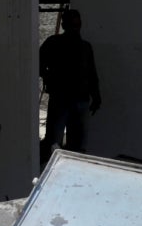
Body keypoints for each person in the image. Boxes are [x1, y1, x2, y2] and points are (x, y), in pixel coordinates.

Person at [39, 9, 100, 159]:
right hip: (61, 100)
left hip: (80, 100)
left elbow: (92, 73)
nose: (75, 28)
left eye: (77, 25)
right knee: (55, 144)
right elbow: (37, 62)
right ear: (64, 24)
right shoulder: (53, 43)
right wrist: (47, 77)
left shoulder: (85, 47)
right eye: (72, 24)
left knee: (77, 146)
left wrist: (96, 95)